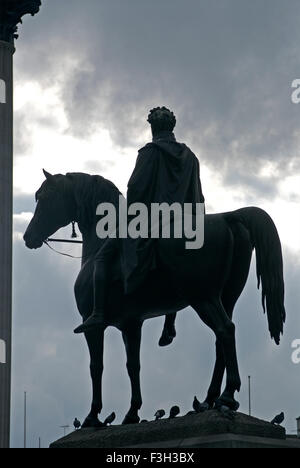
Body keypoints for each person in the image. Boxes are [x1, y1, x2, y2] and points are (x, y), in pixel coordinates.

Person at [74, 107, 205, 334]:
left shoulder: (150, 152)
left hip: (152, 220)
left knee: (102, 258)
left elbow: (136, 187)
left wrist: (131, 215)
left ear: (152, 127)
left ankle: (97, 313)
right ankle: (170, 323)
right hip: (184, 222)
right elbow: (197, 193)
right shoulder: (190, 156)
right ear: (171, 126)